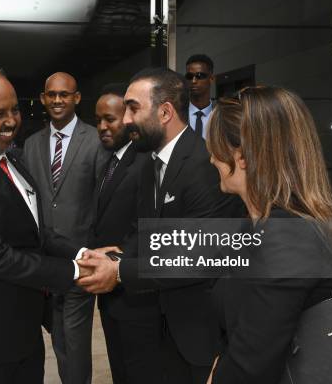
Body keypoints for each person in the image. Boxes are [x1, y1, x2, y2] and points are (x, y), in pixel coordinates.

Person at [0, 64, 112, 384]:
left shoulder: (11, 157)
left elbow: (38, 233)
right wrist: (74, 272)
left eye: (14, 110)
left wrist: (84, 253)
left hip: (22, 334)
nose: (12, 121)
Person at [77, 67, 243, 384]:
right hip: (162, 332)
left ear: (165, 112)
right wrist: (116, 256)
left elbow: (194, 259)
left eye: (133, 108)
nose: (126, 119)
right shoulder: (150, 165)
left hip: (199, 337)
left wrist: (120, 271)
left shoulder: (203, 165)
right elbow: (148, 234)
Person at [204, 87, 332, 383]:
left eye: (214, 147)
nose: (211, 159)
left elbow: (253, 363)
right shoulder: (257, 226)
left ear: (240, 156)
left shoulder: (288, 238)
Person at [23, 72, 108, 384]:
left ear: (77, 98)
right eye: (51, 95)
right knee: (58, 337)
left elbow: (104, 199)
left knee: (74, 337)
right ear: (44, 98)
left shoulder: (97, 141)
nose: (57, 100)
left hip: (80, 257)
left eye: (64, 94)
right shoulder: (30, 145)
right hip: (44, 260)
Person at [91, 83, 162, 383]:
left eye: (111, 118)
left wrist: (116, 262)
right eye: (98, 120)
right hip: (113, 295)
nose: (103, 127)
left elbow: (146, 226)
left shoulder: (145, 161)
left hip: (136, 295)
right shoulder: (107, 160)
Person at [185, 54, 215, 138]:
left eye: (200, 76)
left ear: (211, 79)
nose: (193, 81)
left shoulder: (222, 115)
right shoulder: (178, 114)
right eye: (189, 76)